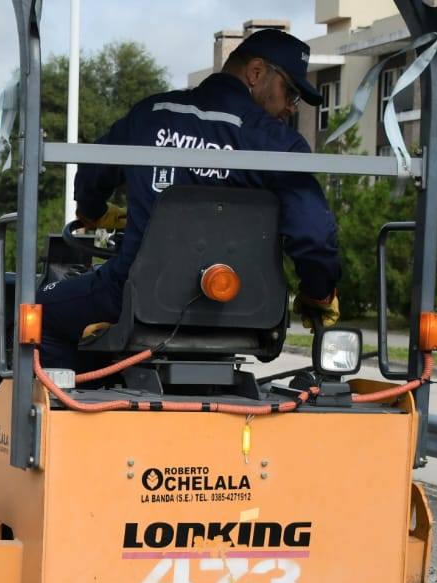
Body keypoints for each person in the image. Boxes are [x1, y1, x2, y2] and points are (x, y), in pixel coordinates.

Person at [38, 28, 343, 369]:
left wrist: (93, 212)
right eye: (291, 94)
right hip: (242, 311)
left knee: (35, 317)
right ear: (256, 73)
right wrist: (319, 292)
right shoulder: (279, 145)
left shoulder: (151, 115)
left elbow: (93, 173)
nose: (289, 108)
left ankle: (91, 394)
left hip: (133, 299)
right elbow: (314, 232)